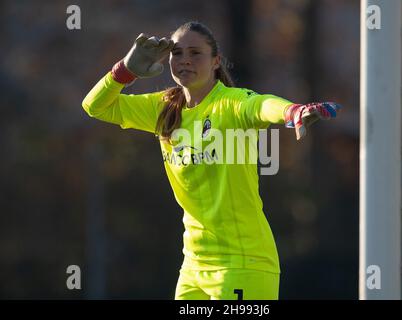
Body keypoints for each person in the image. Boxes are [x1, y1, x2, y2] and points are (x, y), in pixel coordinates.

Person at [82, 21, 341, 300]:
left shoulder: (231, 103)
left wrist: (293, 112)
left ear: (216, 61)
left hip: (244, 262)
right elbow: (94, 107)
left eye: (196, 53)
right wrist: (125, 70)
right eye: (177, 53)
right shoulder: (163, 109)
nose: (185, 60)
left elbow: (263, 105)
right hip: (193, 266)